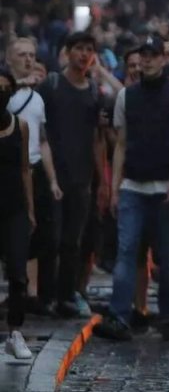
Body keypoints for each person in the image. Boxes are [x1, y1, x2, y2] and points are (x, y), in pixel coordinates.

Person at [93, 35, 169, 342]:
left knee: (168, 257)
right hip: (133, 186)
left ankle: (168, 317)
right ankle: (120, 315)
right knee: (126, 253)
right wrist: (115, 186)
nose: (147, 60)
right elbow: (121, 145)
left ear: (163, 58)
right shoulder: (127, 96)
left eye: (152, 55)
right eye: (143, 55)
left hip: (165, 186)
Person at [38, 31, 105, 318]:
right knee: (50, 238)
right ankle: (45, 296)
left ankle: (66, 295)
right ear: (68, 51)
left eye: (89, 49)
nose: (84, 54)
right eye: (79, 48)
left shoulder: (93, 92)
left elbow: (98, 138)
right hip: (52, 174)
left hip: (82, 176)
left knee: (72, 241)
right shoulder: (51, 85)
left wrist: (101, 180)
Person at [6, 38, 58, 312]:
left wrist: (52, 179)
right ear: (9, 59)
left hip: (35, 168)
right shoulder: (6, 94)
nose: (28, 59)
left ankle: (32, 292)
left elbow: (43, 140)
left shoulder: (37, 98)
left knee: (36, 232)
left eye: (31, 55)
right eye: (22, 54)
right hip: (10, 169)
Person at [0, 66, 35, 360]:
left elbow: (25, 169)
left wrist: (30, 209)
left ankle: (15, 331)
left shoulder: (20, 125)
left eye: (5, 89)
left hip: (15, 208)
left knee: (18, 273)